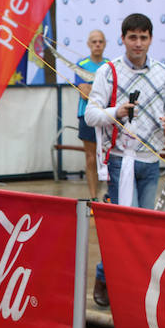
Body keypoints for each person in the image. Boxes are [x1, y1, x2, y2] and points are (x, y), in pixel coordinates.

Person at [85, 13, 165, 307]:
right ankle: (104, 277)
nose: (138, 43)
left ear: (151, 39)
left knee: (146, 227)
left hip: (151, 161)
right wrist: (116, 111)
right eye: (133, 37)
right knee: (122, 226)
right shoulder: (108, 71)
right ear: (123, 38)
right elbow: (91, 115)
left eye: (143, 37)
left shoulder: (163, 73)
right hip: (119, 161)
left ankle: (136, 282)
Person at [74, 30, 108, 202]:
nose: (97, 45)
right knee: (91, 158)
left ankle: (110, 196)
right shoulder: (82, 64)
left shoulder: (110, 64)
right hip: (86, 116)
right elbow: (84, 93)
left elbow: (110, 93)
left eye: (100, 41)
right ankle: (94, 197)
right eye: (94, 41)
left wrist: (91, 87)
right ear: (88, 44)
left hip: (107, 116)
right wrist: (101, 90)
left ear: (105, 44)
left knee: (109, 156)